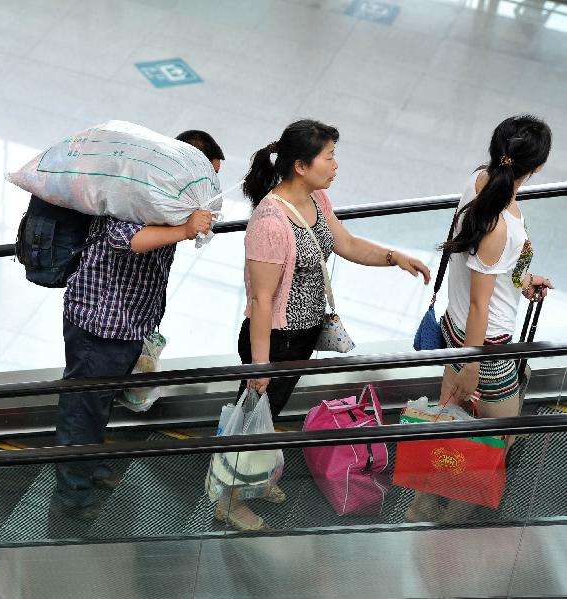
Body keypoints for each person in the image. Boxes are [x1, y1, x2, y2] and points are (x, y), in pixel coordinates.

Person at [225, 119, 431, 531]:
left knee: (268, 412)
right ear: (300, 165)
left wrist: (394, 257)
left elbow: (345, 242)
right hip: (274, 341)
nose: (336, 166)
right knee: (251, 418)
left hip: (299, 336)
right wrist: (260, 366)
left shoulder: (316, 199)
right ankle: (227, 499)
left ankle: (253, 479)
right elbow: (262, 300)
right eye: (329, 157)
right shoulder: (269, 222)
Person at [50, 136, 220, 520]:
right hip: (100, 323)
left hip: (128, 323)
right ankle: (72, 493)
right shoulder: (136, 188)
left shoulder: (167, 200)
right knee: (83, 408)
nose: (208, 193)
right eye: (207, 178)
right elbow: (124, 239)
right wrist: (186, 228)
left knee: (100, 403)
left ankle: (89, 466)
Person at [406, 115, 553, 524]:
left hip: (457, 329)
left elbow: (483, 275)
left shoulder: (479, 182)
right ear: (538, 166)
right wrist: (472, 364)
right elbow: (480, 305)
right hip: (486, 346)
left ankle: (419, 507)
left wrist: (522, 280)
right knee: (491, 445)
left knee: (447, 423)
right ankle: (450, 519)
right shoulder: (501, 225)